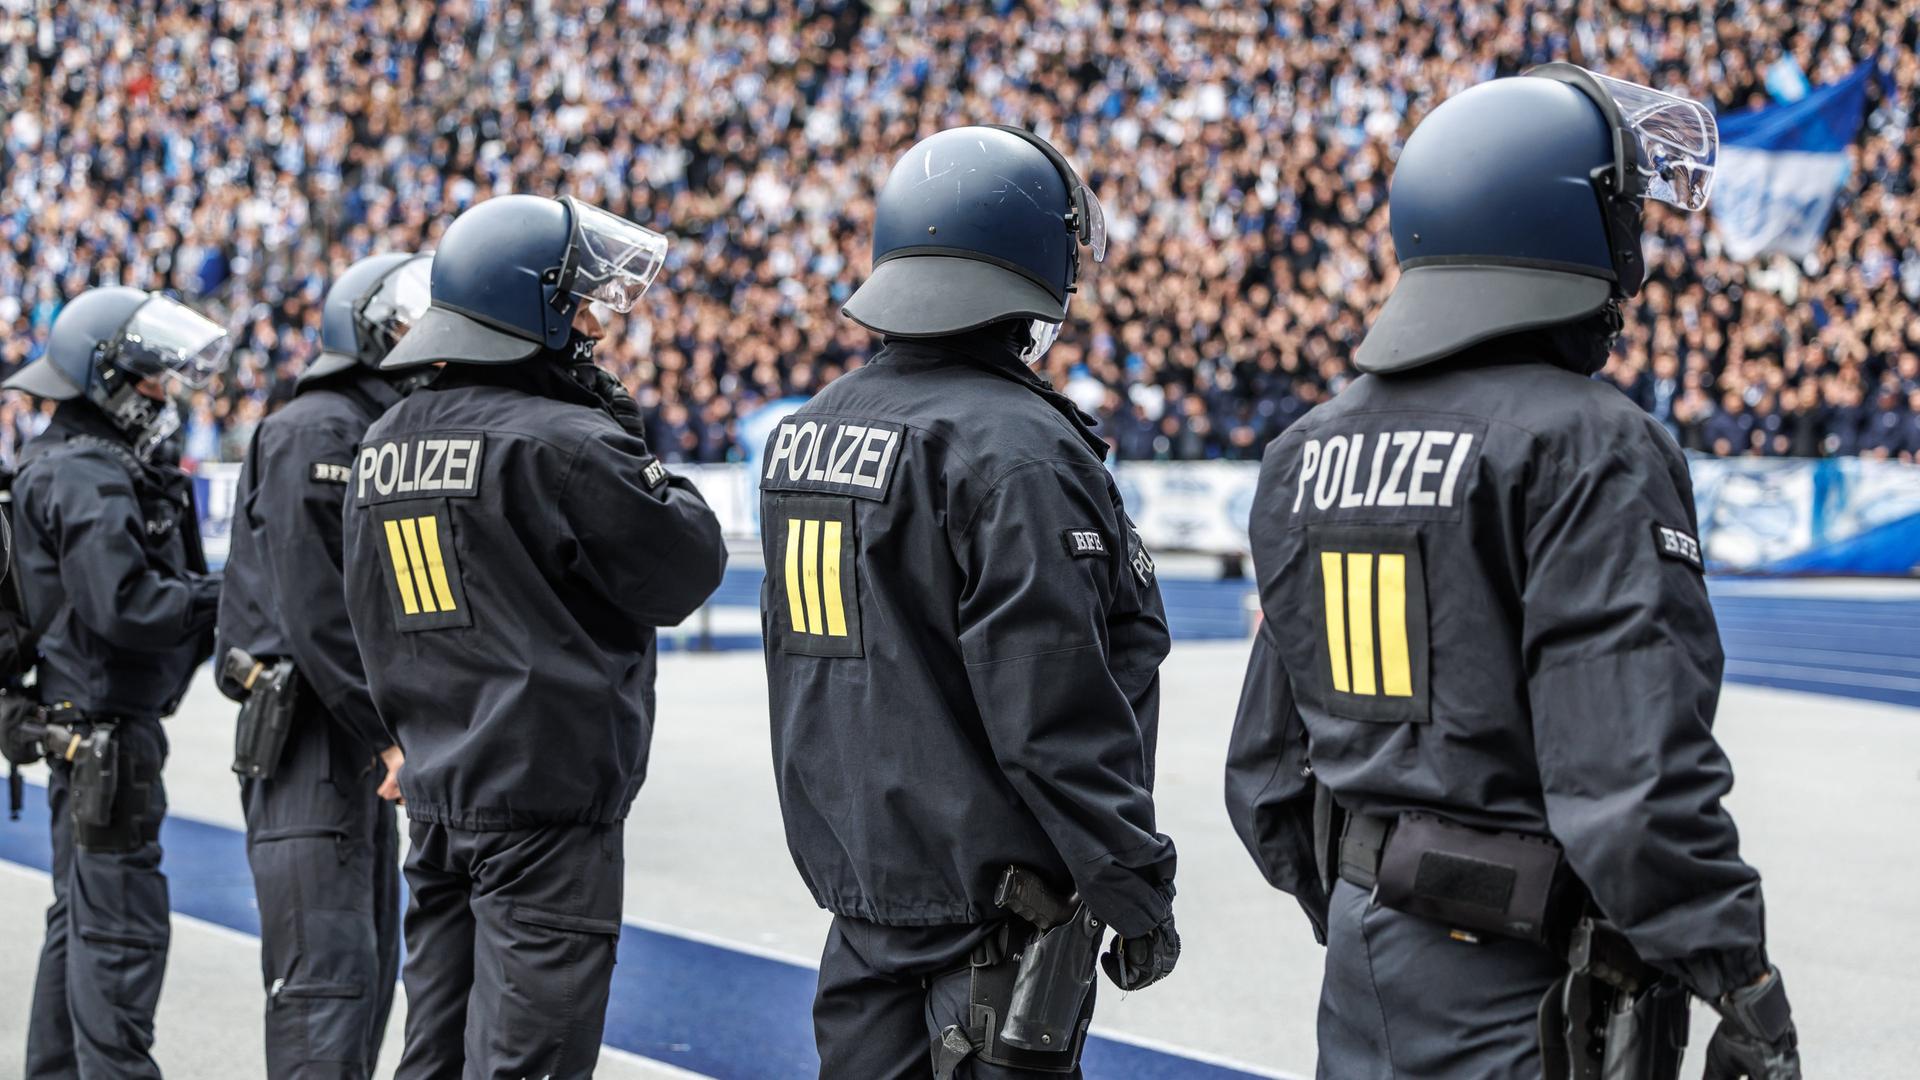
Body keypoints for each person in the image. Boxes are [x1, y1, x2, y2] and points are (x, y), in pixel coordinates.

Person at [1224, 67, 1801, 1080]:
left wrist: (1372, 898)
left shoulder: (1304, 452)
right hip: (1535, 996)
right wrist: (1740, 977)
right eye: (1625, 210)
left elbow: (1266, 777)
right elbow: (1632, 783)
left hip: (1365, 975)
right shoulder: (1592, 444)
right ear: (1569, 228)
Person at [759, 125, 1179, 1080]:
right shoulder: (1019, 450)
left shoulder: (807, 433)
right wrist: (1133, 885)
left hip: (863, 903)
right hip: (993, 925)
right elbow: (1053, 711)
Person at [341, 193, 727, 1079]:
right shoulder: (566, 442)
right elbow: (685, 568)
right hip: (545, 813)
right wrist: (619, 425)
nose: (595, 323)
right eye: (580, 302)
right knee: (530, 1062)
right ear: (531, 308)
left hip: (438, 793)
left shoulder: (383, 441)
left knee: (434, 1054)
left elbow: (362, 609)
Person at [213, 251, 434, 1078]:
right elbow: (322, 613)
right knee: (326, 993)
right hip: (312, 737)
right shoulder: (318, 430)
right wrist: (389, 735)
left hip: (344, 741)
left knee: (363, 978)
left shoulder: (369, 426)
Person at [2, 286, 227, 1077]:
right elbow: (127, 606)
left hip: (84, 732)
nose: (162, 394)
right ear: (108, 379)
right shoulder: (87, 472)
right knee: (119, 940)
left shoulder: (65, 460)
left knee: (80, 925)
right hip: (106, 740)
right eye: (150, 378)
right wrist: (234, 590)